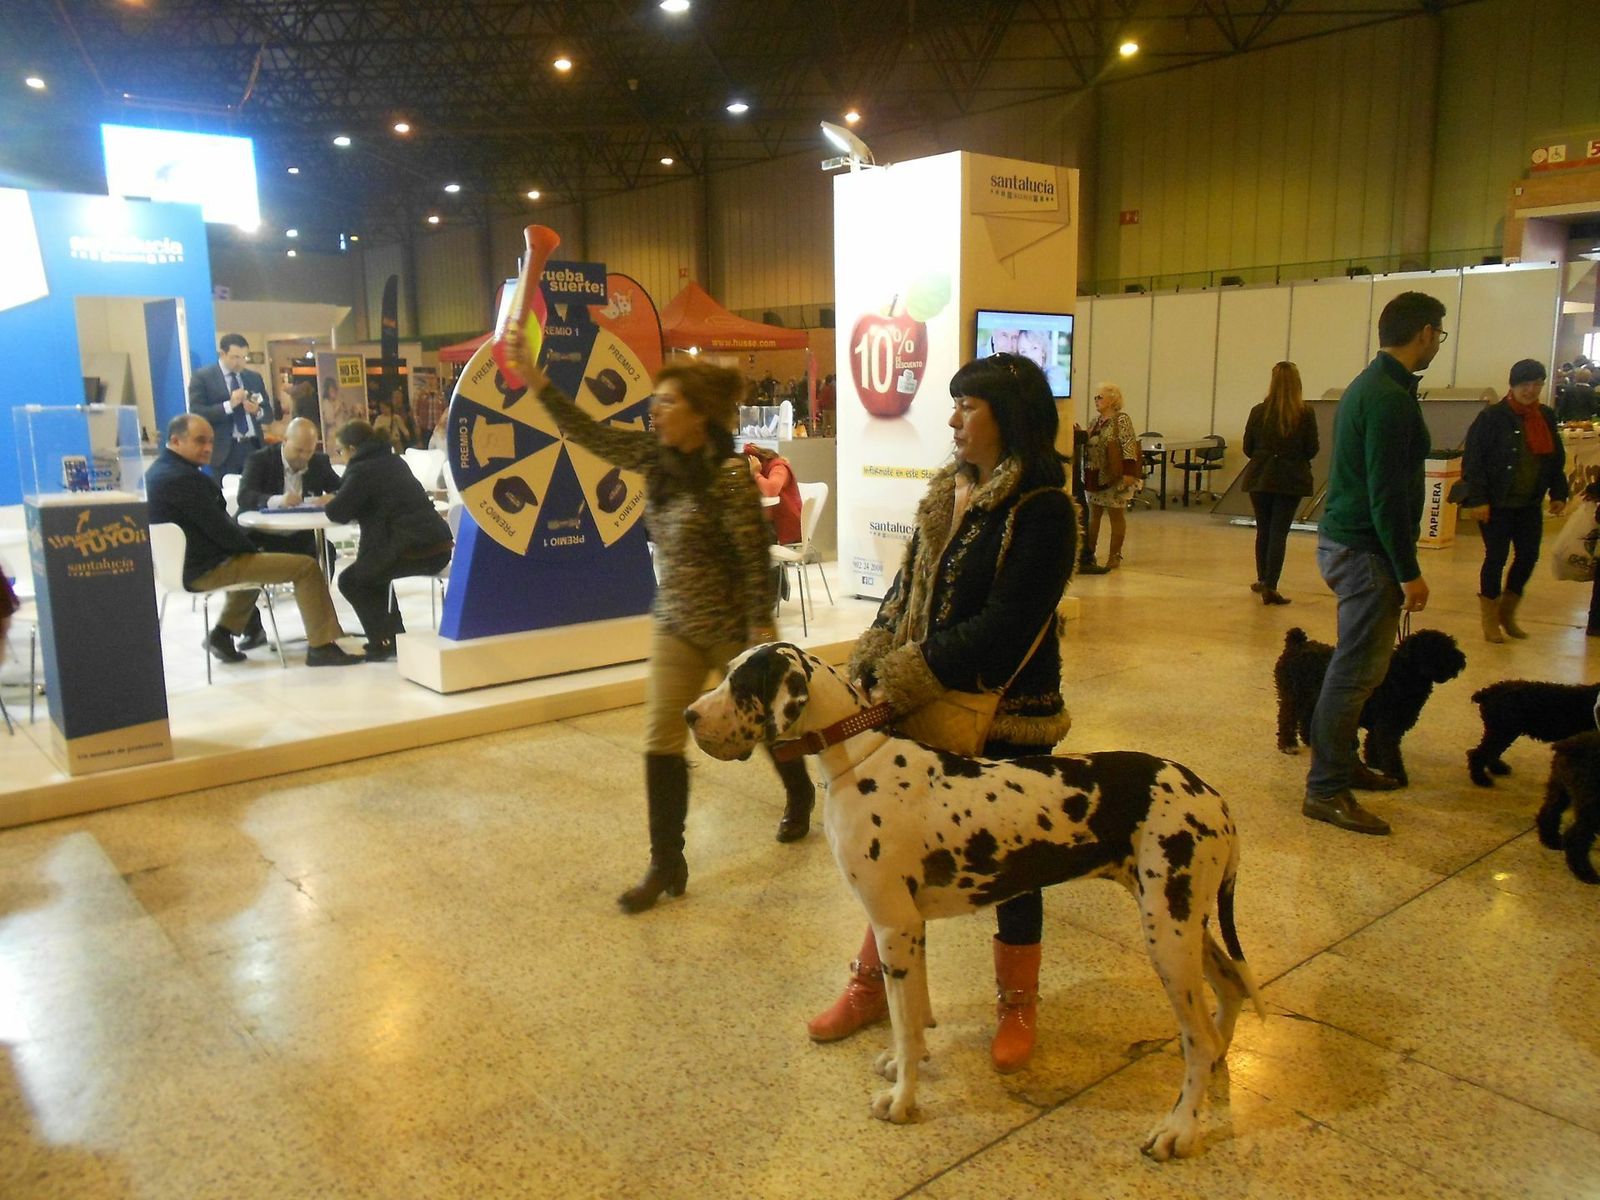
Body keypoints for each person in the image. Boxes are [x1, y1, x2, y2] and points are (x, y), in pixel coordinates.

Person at [807, 352, 1076, 1075]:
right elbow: (906, 591)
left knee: (1015, 865)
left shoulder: (1044, 508)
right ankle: (870, 987)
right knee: (888, 854)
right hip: (923, 702)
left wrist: (904, 675)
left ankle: (1017, 1005)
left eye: (968, 407)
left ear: (1008, 417)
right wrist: (873, 647)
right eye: (953, 406)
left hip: (1007, 713)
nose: (953, 421)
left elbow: (1009, 625)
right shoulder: (946, 493)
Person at [502, 325, 816, 913]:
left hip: (730, 629)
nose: (656, 409)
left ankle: (799, 794)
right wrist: (537, 379)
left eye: (668, 401)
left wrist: (758, 632)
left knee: (767, 724)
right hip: (675, 622)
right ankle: (666, 862)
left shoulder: (728, 477)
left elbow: (752, 557)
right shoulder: (656, 459)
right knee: (661, 741)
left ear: (698, 415)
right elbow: (586, 433)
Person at [1303, 291, 1444, 836]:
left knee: (1359, 670)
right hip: (1366, 551)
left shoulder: (1374, 386)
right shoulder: (1386, 397)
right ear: (1426, 333)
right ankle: (1325, 789)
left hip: (1354, 543)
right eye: (1439, 335)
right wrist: (1409, 570)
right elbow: (1388, 494)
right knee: (1354, 675)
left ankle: (1341, 765)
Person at [145, 413, 362, 668]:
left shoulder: (158, 472)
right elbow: (221, 527)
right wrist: (250, 550)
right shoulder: (187, 479)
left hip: (184, 566)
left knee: (255, 560)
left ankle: (222, 635)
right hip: (206, 566)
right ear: (176, 441)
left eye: (211, 441)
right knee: (306, 568)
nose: (207, 448)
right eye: (200, 441)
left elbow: (216, 527)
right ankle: (322, 646)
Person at [323, 420, 454, 662]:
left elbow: (337, 513)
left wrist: (329, 500)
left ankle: (385, 639)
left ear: (353, 448)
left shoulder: (362, 469)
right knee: (373, 574)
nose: (341, 457)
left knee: (351, 580)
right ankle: (392, 638)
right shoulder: (394, 461)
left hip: (412, 549)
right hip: (438, 545)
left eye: (341, 451)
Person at [1457, 359, 1569, 642]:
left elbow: (1555, 458)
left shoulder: (1544, 416)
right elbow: (1474, 460)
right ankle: (1490, 619)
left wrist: (1558, 492)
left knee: (1529, 556)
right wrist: (1478, 499)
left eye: (1537, 384)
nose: (1531, 390)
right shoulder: (1492, 417)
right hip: (1496, 503)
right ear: (1513, 385)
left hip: (1529, 503)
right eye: (1525, 384)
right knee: (1496, 558)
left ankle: (1507, 612)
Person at [1239, 362, 1319, 606]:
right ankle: (1271, 585)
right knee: (1278, 533)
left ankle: (1263, 578)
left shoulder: (1258, 411)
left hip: (1260, 476)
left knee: (1263, 530)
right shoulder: (1305, 413)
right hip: (1290, 478)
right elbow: (1312, 448)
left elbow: (1247, 447)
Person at [188, 334, 276, 477]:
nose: (240, 363)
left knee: (255, 495)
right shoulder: (203, 377)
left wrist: (258, 411)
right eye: (235, 357)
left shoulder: (253, 378)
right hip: (225, 451)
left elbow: (269, 414)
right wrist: (229, 405)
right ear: (222, 354)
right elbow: (197, 413)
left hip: (253, 447)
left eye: (243, 358)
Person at [1079, 382, 1140, 572]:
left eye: (1100, 397)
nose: (1096, 401)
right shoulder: (1094, 422)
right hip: (1093, 475)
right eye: (1095, 397)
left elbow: (1129, 445)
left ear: (1113, 399)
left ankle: (1115, 555)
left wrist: (1129, 473)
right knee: (1093, 516)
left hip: (1114, 475)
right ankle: (1089, 554)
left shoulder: (1122, 420)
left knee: (1116, 515)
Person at [744, 442, 802, 546]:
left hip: (784, 525)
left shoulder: (778, 467)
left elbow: (771, 490)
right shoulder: (766, 470)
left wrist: (756, 473)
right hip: (770, 521)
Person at [373, 388, 416, 453]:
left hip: (396, 440)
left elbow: (403, 428)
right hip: (384, 441)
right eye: (382, 408)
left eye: (385, 408)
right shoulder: (379, 418)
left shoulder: (396, 417)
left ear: (390, 408)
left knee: (400, 454)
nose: (383, 410)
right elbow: (375, 429)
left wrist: (407, 435)